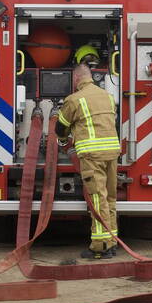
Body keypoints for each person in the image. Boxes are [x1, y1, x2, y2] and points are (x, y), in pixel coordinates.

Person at [56, 63, 121, 259]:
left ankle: (100, 246)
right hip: (111, 154)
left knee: (96, 199)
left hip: (92, 156)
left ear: (76, 79)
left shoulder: (74, 100)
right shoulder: (108, 97)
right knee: (110, 198)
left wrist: (63, 141)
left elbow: (61, 128)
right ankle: (112, 241)